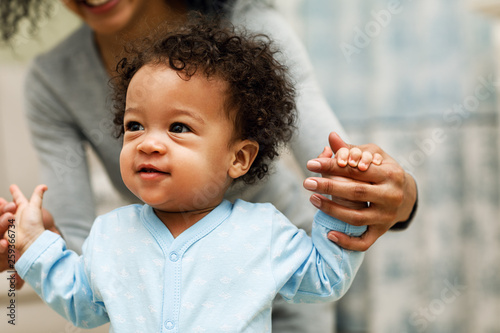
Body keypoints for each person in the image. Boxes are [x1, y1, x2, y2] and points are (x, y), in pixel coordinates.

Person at [0, 0, 417, 331]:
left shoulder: (265, 233)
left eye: (179, 126)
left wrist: (360, 189)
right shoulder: (112, 235)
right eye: (133, 126)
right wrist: (34, 243)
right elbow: (83, 293)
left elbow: (335, 207)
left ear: (240, 157)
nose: (149, 143)